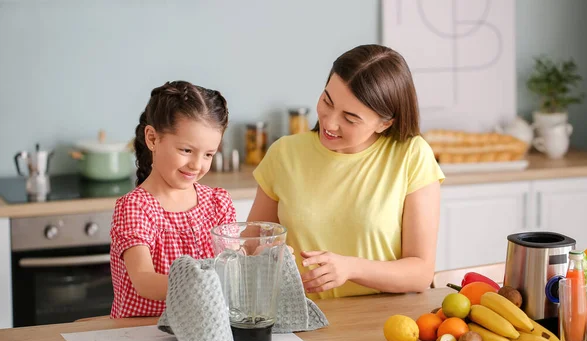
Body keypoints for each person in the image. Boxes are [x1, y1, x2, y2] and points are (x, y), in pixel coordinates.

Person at [248, 44, 445, 300]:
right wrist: (260, 254)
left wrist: (351, 268)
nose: (329, 122)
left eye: (350, 118)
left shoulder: (411, 156)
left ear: (385, 123)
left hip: (381, 325)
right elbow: (250, 245)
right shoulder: (284, 154)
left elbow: (420, 273)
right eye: (327, 101)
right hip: (297, 317)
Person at [109, 81, 236, 318]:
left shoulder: (218, 204)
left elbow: (233, 265)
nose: (197, 165)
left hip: (203, 332)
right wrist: (200, 285)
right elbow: (144, 281)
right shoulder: (136, 208)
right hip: (140, 336)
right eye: (186, 150)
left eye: (208, 154)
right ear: (153, 139)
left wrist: (262, 255)